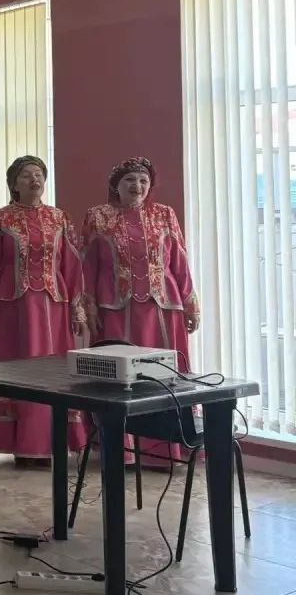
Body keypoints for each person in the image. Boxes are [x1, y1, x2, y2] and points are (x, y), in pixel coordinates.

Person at [83, 156, 200, 465]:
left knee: (164, 377)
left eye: (144, 181)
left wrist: (191, 303)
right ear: (116, 185)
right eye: (130, 180)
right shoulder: (98, 217)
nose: (137, 186)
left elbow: (179, 262)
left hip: (162, 309)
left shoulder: (164, 214)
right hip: (116, 309)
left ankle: (165, 450)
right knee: (121, 379)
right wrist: (89, 306)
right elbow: (88, 266)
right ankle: (121, 450)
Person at [0, 155, 88, 468]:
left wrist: (77, 309)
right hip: (15, 309)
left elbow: (72, 267)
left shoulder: (60, 218)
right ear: (14, 184)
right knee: (21, 370)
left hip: (55, 307)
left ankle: (53, 441)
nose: (34, 180)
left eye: (38, 174)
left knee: (54, 370)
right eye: (26, 175)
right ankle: (22, 444)